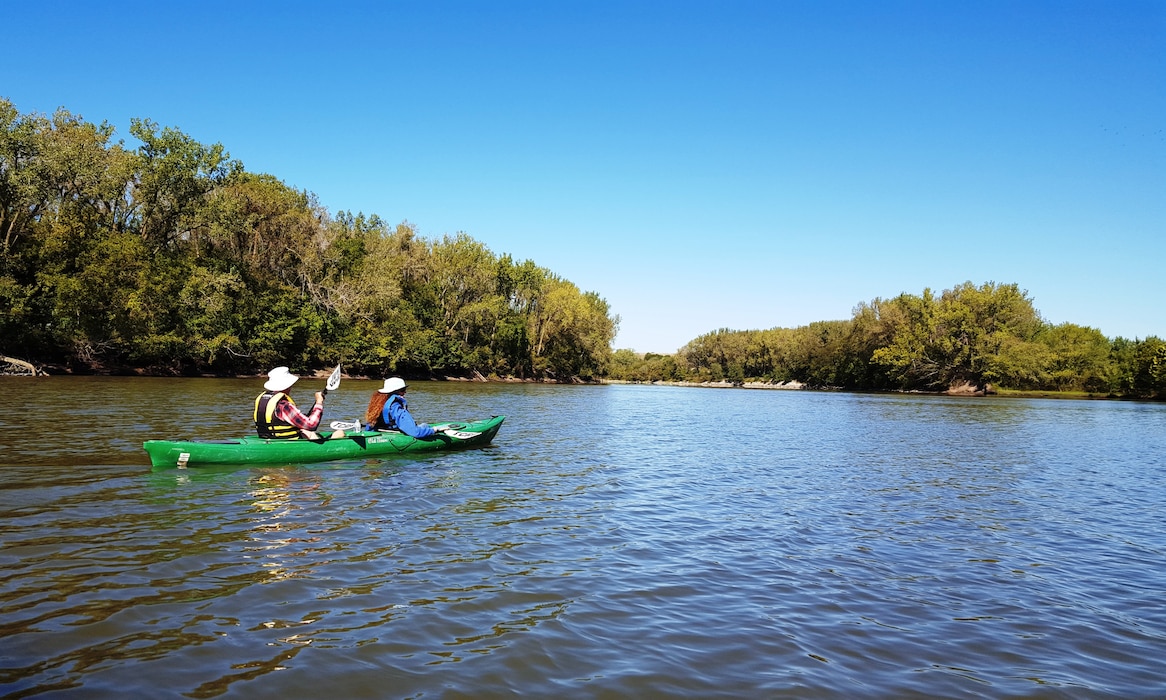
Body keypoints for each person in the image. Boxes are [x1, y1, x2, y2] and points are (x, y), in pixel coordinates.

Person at [254, 366, 325, 440]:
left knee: (306, 431)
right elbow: (311, 425)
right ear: (287, 386)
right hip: (284, 442)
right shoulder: (284, 405)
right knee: (311, 433)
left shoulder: (262, 399)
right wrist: (319, 402)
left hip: (267, 438)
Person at [365, 377, 443, 438]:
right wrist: (434, 430)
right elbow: (415, 432)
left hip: (382, 433)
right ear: (394, 392)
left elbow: (369, 428)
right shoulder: (395, 407)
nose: (405, 392)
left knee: (424, 425)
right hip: (393, 434)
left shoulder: (377, 404)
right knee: (425, 426)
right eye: (403, 390)